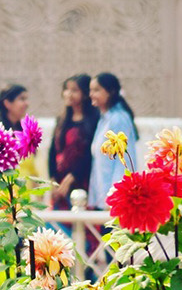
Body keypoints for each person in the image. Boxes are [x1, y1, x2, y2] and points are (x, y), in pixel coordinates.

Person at [87, 71, 138, 209]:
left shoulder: (118, 119)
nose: (91, 94)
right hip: (103, 197)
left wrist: (116, 195)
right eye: (90, 90)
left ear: (110, 92)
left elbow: (123, 160)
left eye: (96, 90)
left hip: (113, 201)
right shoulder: (105, 118)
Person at [49, 74, 98, 210]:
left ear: (85, 94)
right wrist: (52, 181)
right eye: (66, 89)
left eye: (74, 90)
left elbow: (90, 154)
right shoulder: (62, 120)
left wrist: (72, 177)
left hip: (82, 183)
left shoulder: (94, 120)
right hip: (60, 185)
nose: (68, 94)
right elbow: (52, 151)